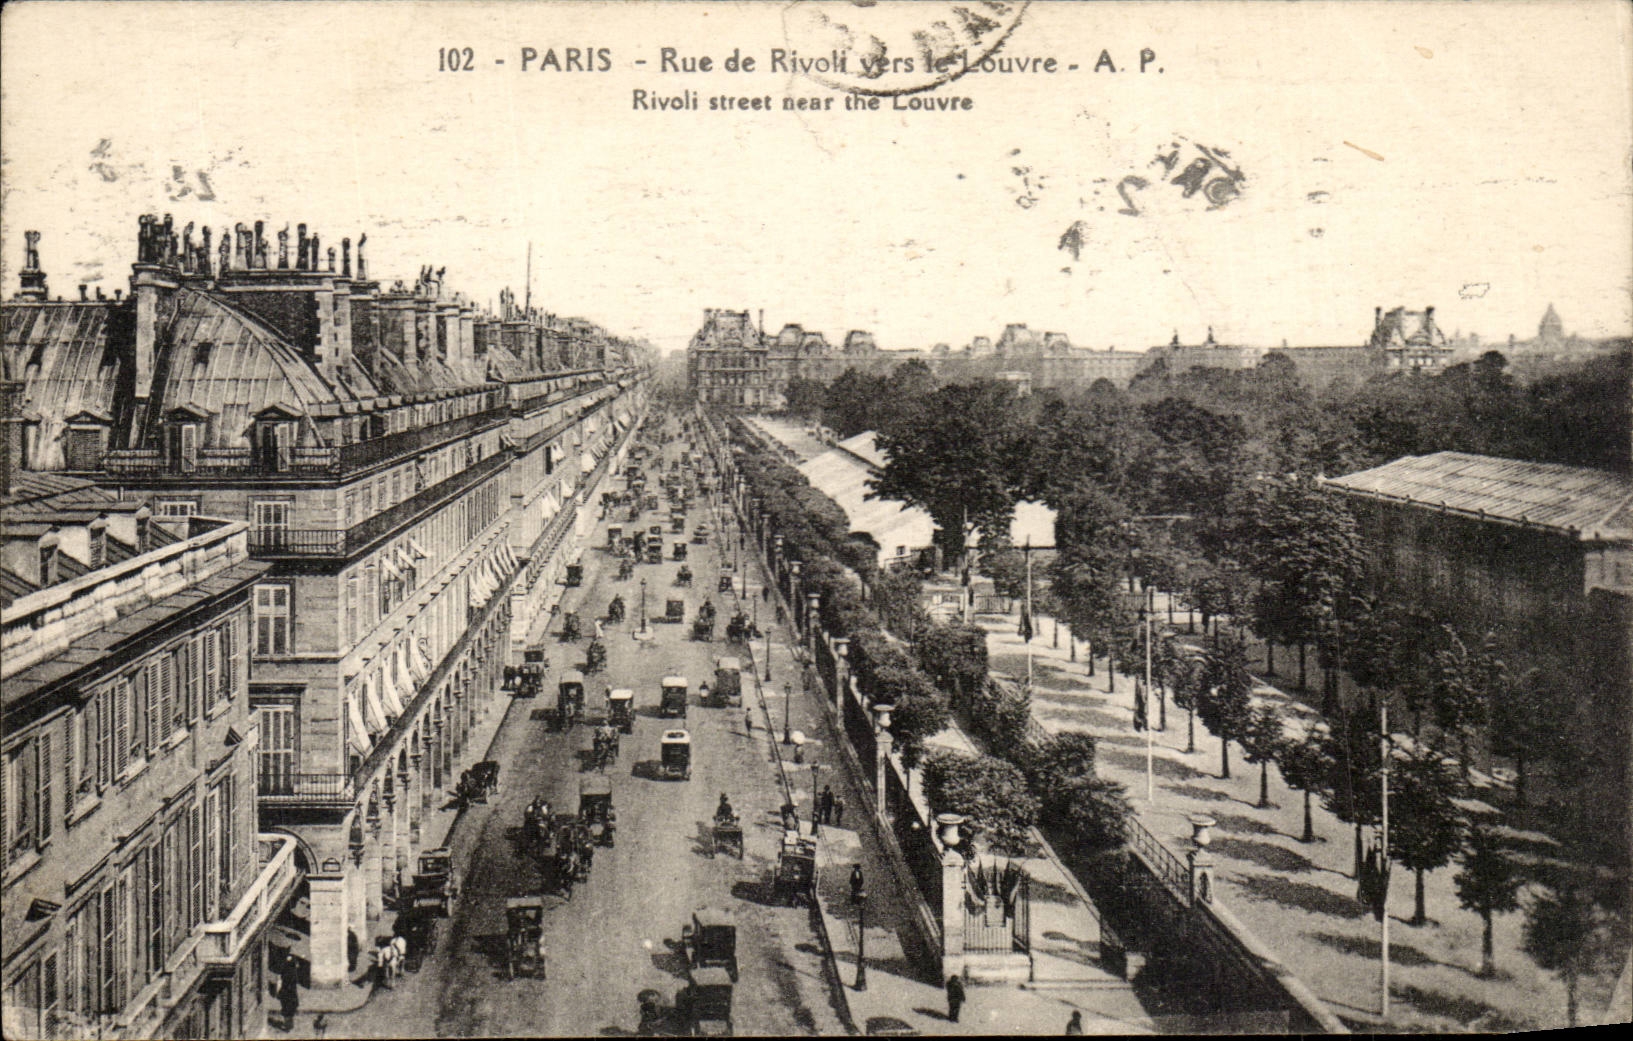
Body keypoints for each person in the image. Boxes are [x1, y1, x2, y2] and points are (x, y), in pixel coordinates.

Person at [277, 957, 301, 1031]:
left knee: (287, 1008)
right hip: (290, 992)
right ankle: (288, 1024)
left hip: (288, 992)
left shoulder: (289, 971)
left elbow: (286, 981)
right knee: (289, 1008)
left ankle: (288, 1025)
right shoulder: (292, 971)